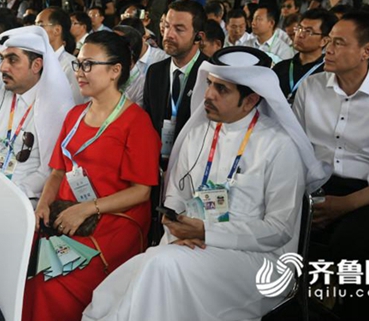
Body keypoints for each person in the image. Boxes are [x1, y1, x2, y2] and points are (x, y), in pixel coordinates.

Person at [83, 47, 329, 321]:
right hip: (188, 246)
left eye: (222, 89)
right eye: (210, 83)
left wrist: (208, 233)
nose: (208, 94)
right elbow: (175, 197)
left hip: (256, 259)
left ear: (250, 100)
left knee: (160, 270)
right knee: (122, 286)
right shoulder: (197, 134)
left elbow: (278, 230)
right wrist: (178, 226)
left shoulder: (278, 146)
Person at [25, 31, 160, 321]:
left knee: (50, 282)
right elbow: (58, 171)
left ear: (115, 71)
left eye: (89, 65)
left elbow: (141, 192)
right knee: (20, 265)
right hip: (66, 216)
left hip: (113, 222)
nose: (80, 73)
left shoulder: (136, 122)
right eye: (78, 64)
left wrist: (87, 208)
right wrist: (43, 205)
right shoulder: (74, 115)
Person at [293, 12, 369, 320]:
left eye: (338, 43)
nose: (328, 50)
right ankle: (296, 306)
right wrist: (307, 197)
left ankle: (355, 312)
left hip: (366, 191)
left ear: (366, 52)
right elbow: (292, 149)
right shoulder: (311, 89)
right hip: (314, 184)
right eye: (328, 42)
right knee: (278, 228)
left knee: (351, 244)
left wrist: (347, 204)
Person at [0, 26, 74, 201]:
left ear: (36, 65)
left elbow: (47, 172)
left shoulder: (56, 110)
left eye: (13, 60)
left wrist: (3, 195)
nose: (2, 68)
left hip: (19, 200)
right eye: (3, 59)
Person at [144, 0, 207, 164]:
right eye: (166, 26)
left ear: (198, 37)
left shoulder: (211, 75)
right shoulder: (155, 72)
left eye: (179, 29)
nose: (168, 34)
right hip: (157, 164)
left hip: (195, 163)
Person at [273, 8, 337, 104]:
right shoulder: (280, 68)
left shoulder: (329, 73)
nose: (300, 35)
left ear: (324, 40)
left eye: (308, 31)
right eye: (299, 28)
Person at [35, 7, 85, 104]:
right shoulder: (37, 61)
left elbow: (76, 102)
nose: (35, 30)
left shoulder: (70, 65)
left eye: (40, 25)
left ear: (57, 30)